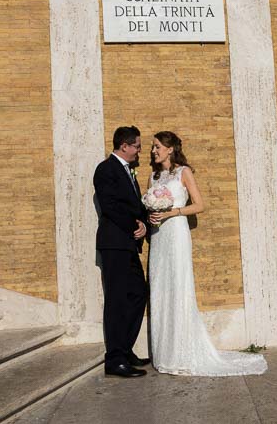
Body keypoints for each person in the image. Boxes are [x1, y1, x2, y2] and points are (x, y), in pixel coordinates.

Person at [147, 131, 267, 376]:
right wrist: (152, 215)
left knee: (179, 287)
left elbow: (200, 205)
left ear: (170, 149)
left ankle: (181, 353)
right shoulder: (153, 176)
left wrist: (172, 212)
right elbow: (151, 203)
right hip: (159, 237)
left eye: (157, 146)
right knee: (160, 288)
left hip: (177, 234)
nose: (153, 151)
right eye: (153, 147)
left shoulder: (184, 172)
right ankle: (164, 354)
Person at [93, 126, 151, 378]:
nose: (139, 151)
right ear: (125, 146)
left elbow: (136, 208)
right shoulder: (106, 170)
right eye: (137, 146)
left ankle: (125, 349)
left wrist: (144, 224)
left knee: (138, 293)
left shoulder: (129, 171)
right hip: (115, 243)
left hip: (128, 244)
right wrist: (133, 225)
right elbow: (111, 206)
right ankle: (114, 359)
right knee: (117, 300)